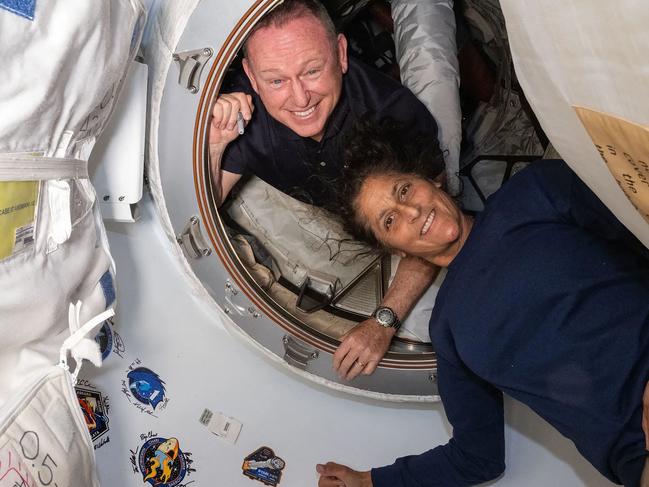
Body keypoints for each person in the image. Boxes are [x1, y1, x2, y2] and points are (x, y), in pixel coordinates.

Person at [316, 119, 649, 486]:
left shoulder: (533, 192)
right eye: (391, 220)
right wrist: (370, 481)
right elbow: (477, 457)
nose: (411, 212)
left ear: (431, 179)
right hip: (637, 456)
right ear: (395, 249)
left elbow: (643, 234)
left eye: (405, 190)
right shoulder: (447, 330)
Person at [208, 0, 445, 379]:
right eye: (276, 81)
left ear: (341, 53)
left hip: (394, 210)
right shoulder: (244, 114)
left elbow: (437, 228)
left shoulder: (394, 115)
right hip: (325, 207)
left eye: (312, 70)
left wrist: (383, 322)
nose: (300, 98)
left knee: (433, 68)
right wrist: (217, 142)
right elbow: (207, 203)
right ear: (251, 77)